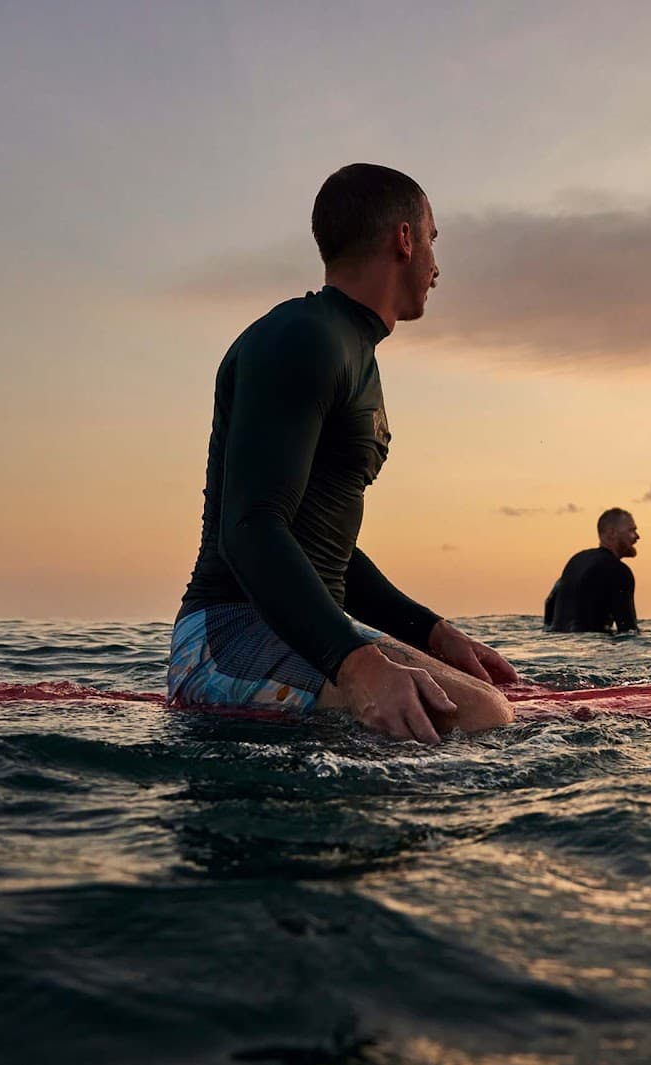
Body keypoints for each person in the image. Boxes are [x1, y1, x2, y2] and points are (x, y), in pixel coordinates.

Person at [169, 164, 518, 743]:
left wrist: (433, 633)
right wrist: (356, 665)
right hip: (225, 636)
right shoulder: (302, 337)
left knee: (492, 699)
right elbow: (251, 528)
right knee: (482, 718)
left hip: (300, 634)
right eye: (433, 238)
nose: (437, 264)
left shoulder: (350, 349)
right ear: (404, 239)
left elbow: (323, 552)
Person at [543, 508, 640, 633]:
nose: (637, 536)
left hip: (560, 642)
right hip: (592, 643)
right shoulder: (619, 571)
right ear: (612, 533)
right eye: (631, 530)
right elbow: (628, 630)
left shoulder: (576, 560)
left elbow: (549, 603)